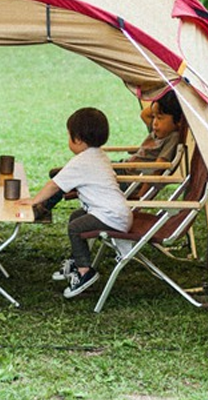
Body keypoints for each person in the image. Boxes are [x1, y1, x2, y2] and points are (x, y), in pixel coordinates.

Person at [29, 107, 132, 299]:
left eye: (69, 135)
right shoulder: (99, 155)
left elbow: (54, 185)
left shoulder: (82, 161)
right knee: (76, 217)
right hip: (117, 211)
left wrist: (33, 201)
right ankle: (76, 261)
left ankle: (85, 272)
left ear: (77, 139)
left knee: (75, 228)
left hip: (110, 215)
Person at [129, 88, 183, 165]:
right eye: (153, 116)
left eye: (160, 118)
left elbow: (159, 166)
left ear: (179, 120)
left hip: (128, 173)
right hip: (124, 166)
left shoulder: (172, 138)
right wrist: (158, 103)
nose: (154, 123)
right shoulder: (157, 131)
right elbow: (144, 114)